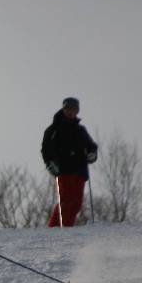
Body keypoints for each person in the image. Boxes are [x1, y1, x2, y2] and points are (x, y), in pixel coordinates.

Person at [41, 97, 98, 227]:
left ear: (77, 111)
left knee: (76, 203)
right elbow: (46, 149)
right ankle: (55, 228)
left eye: (74, 110)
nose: (71, 112)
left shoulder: (80, 130)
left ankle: (66, 228)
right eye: (68, 109)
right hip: (63, 170)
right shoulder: (54, 129)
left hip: (80, 171)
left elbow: (91, 146)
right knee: (66, 201)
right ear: (63, 110)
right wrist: (50, 163)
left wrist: (92, 154)